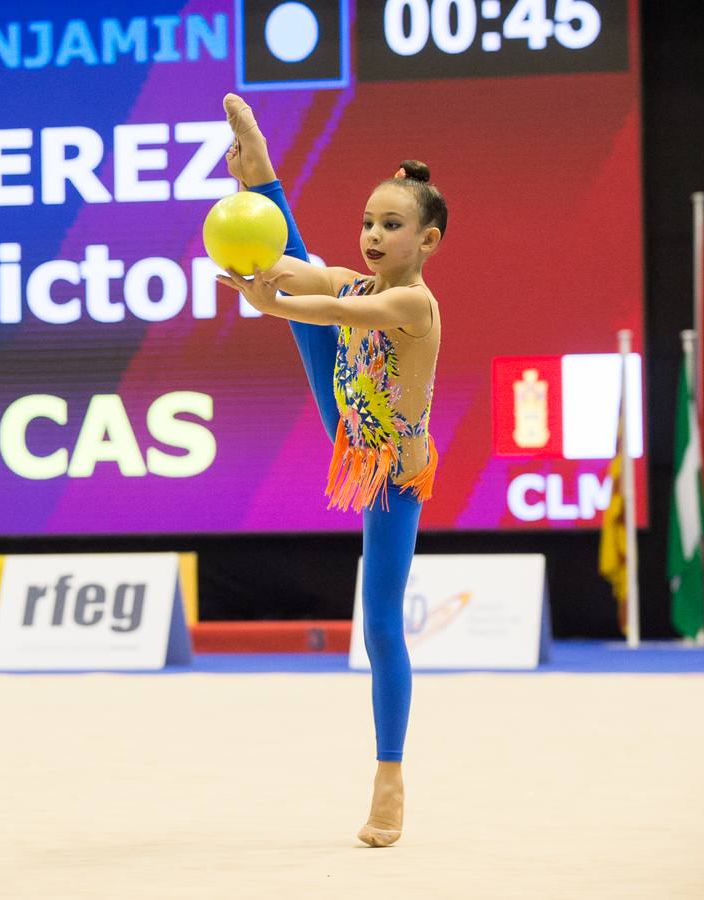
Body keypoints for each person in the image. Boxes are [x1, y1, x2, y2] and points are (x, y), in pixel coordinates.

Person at [218, 94, 445, 848]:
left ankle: (390, 775)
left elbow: (341, 316)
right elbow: (293, 268)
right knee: (308, 271)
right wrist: (250, 254)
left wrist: (274, 303)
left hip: (392, 477)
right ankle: (260, 170)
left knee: (379, 622)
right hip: (350, 432)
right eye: (369, 222)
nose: (374, 235)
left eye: (392, 226)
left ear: (427, 240)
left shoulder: (414, 306)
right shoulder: (352, 279)